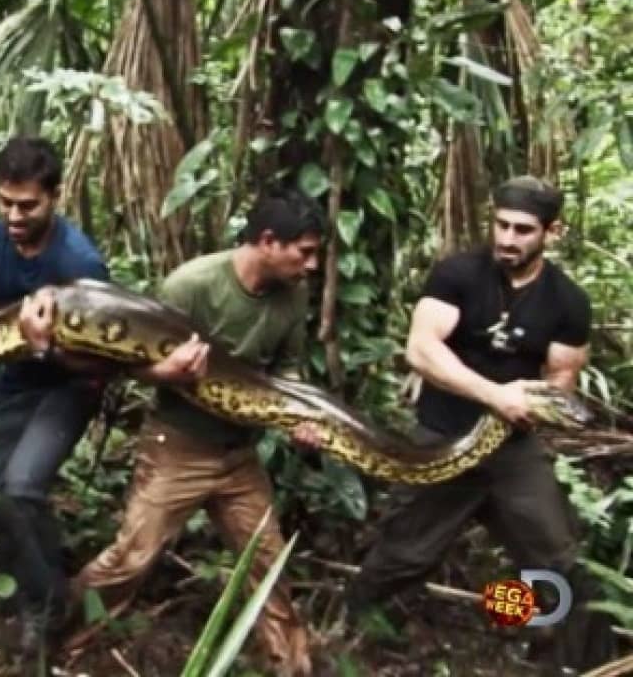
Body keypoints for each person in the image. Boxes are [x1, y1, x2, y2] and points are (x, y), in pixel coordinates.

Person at [339, 176, 615, 671]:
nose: (508, 239)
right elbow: (421, 349)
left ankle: (574, 658)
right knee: (406, 554)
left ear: (552, 233)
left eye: (524, 230)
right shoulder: (458, 274)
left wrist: (536, 405)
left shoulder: (568, 301)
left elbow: (561, 378)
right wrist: (495, 396)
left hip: (514, 449)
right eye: (501, 224)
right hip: (442, 437)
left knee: (560, 562)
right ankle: (350, 636)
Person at [68, 186, 326, 676]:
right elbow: (129, 364)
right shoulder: (192, 285)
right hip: (178, 447)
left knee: (269, 570)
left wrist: (301, 414)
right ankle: (53, 636)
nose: (311, 265)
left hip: (239, 453)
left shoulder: (294, 293)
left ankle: (291, 668)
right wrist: (167, 373)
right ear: (269, 241)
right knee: (130, 559)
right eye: (305, 251)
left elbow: (287, 366)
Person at [0, 136, 112, 657]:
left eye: (27, 205)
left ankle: (47, 607)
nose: (14, 214)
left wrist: (42, 349)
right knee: (6, 498)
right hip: (14, 381)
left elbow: (103, 364)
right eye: (5, 202)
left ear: (55, 196)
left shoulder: (80, 262)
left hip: (69, 384)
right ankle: (41, 584)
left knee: (21, 486)